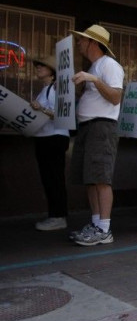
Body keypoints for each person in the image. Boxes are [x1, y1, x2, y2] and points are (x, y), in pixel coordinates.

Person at [68, 24, 124, 246]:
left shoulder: (109, 65)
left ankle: (104, 228)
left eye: (82, 40)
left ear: (93, 42)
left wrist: (94, 80)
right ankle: (95, 223)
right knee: (90, 178)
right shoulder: (95, 66)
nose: (79, 43)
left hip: (102, 127)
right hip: (88, 127)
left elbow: (115, 97)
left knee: (101, 177)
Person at [29, 55, 70, 231]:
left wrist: (41, 109)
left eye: (42, 66)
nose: (38, 68)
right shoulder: (44, 89)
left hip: (54, 138)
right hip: (44, 138)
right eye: (37, 66)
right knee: (48, 178)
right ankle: (55, 215)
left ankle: (58, 216)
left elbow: (61, 114)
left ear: (52, 73)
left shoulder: (55, 89)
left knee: (54, 177)